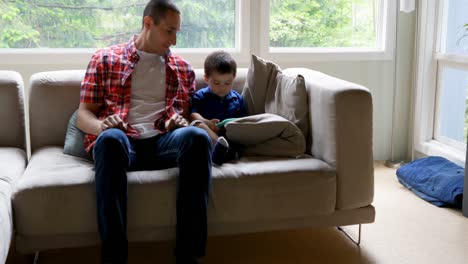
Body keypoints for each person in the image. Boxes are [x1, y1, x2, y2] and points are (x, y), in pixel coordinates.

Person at [77, 1, 211, 263]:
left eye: (177, 33)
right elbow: (84, 115)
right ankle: (115, 257)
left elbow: (181, 115)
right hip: (122, 142)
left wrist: (176, 122)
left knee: (197, 138)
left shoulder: (182, 68)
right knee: (110, 140)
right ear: (148, 23)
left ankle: (189, 255)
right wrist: (103, 127)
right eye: (169, 31)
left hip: (163, 142)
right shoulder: (105, 58)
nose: (173, 40)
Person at [190, 51, 247, 166]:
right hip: (210, 136)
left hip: (231, 137)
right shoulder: (200, 96)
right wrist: (207, 123)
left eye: (227, 83)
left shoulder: (237, 98)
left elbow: (244, 121)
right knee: (198, 125)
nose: (222, 88)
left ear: (234, 78)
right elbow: (193, 115)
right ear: (206, 78)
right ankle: (222, 151)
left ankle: (225, 152)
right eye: (216, 83)